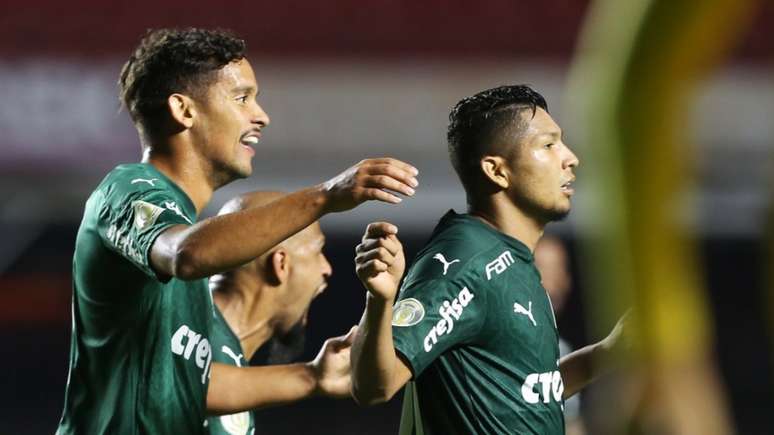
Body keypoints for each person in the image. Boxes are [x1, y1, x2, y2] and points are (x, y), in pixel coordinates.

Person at [56, 28, 419, 435]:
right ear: (184, 110)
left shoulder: (185, 238)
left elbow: (196, 380)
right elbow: (186, 255)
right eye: (242, 98)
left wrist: (312, 376)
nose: (260, 115)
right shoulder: (127, 189)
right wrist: (326, 196)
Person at [350, 85, 626, 434]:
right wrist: (380, 301)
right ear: (497, 171)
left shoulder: (514, 259)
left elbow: (528, 393)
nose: (570, 157)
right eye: (548, 145)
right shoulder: (465, 261)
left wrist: (610, 350)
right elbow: (374, 386)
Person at [207, 191, 347, 435]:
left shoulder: (231, 368)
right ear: (280, 263)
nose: (327, 269)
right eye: (318, 251)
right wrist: (311, 377)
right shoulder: (177, 325)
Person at [534, 235, 586, 435]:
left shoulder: (560, 348)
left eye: (558, 269)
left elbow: (572, 424)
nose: (552, 279)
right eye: (541, 268)